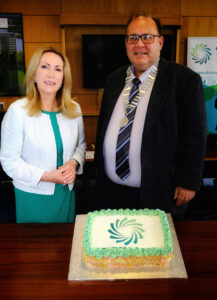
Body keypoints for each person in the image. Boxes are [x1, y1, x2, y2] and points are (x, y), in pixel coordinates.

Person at [93, 12, 207, 219]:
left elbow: (195, 136)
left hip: (159, 193)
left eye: (147, 37)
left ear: (160, 42)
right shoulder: (114, 79)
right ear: (126, 43)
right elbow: (104, 128)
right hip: (112, 193)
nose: (139, 44)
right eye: (133, 38)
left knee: (156, 250)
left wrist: (188, 182)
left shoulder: (184, 80)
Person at [0, 47, 86, 223]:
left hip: (66, 194)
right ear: (33, 75)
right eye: (45, 67)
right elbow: (9, 161)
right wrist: (46, 176)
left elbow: (81, 146)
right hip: (33, 195)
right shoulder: (18, 111)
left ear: (63, 78)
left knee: (66, 247)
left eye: (58, 69)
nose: (51, 75)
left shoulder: (74, 109)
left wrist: (73, 162)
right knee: (35, 249)